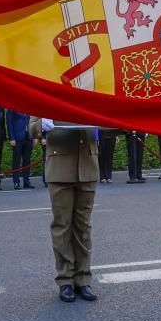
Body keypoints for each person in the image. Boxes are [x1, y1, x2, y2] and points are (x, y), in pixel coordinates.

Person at [42, 119, 99, 303]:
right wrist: (42, 123)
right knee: (62, 225)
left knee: (83, 226)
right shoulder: (48, 92)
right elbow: (32, 127)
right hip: (59, 166)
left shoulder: (94, 89)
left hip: (87, 165)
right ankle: (65, 279)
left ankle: (83, 279)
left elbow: (111, 126)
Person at [6, 107, 36, 189]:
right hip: (17, 138)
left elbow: (34, 121)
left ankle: (26, 181)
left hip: (28, 137)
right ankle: (16, 182)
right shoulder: (12, 107)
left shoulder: (29, 106)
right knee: (16, 160)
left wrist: (35, 136)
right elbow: (9, 123)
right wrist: (11, 138)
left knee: (27, 161)